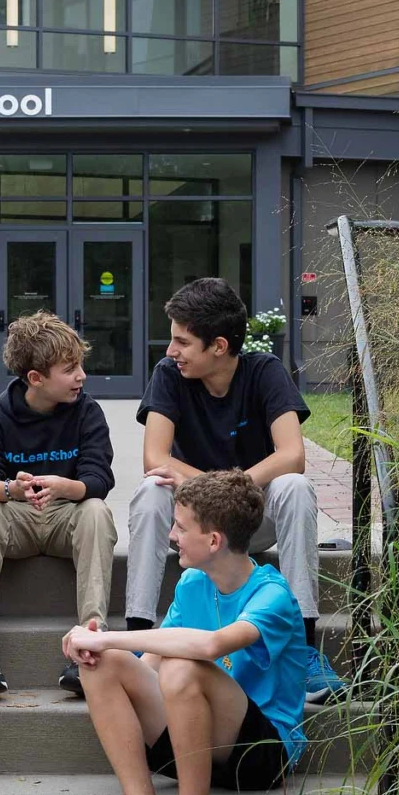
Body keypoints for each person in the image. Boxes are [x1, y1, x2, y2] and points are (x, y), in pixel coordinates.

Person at [63, 470, 308, 795]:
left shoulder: (272, 596)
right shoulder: (194, 582)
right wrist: (100, 648)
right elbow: (154, 658)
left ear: (214, 541)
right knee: (103, 663)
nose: (173, 535)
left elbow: (211, 647)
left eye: (181, 526)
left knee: (183, 664)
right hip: (194, 738)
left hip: (260, 754)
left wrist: (113, 638)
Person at [127, 277, 321, 654]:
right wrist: (220, 487)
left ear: (219, 346)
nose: (170, 351)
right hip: (190, 525)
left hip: (249, 523)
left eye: (182, 342)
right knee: (152, 490)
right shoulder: (168, 375)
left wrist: (226, 488)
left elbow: (292, 456)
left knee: (295, 487)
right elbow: (156, 459)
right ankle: (138, 632)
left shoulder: (265, 372)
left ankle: (303, 647)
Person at [0, 311, 117, 700]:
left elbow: (100, 479)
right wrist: (10, 489)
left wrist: (69, 487)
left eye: (80, 365)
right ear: (36, 378)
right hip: (18, 520)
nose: (81, 376)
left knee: (97, 511)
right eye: (70, 369)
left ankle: (90, 641)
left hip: (68, 517)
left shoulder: (87, 412)